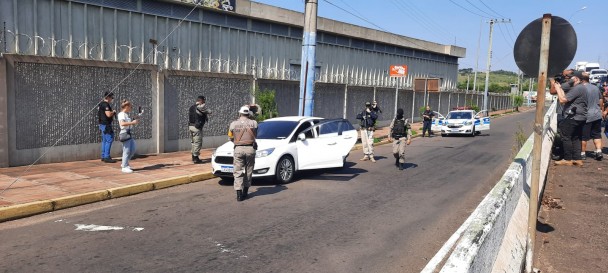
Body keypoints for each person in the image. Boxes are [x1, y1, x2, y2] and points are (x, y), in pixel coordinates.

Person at [553, 70, 588, 166]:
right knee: (576, 138)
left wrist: (557, 87)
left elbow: (562, 100)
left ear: (576, 79)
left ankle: (567, 159)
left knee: (566, 137)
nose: (569, 80)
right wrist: (559, 88)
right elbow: (565, 97)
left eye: (571, 78)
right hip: (580, 117)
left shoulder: (577, 88)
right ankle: (577, 159)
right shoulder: (581, 88)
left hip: (573, 116)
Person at [228, 106, 258, 202]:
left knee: (237, 171)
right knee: (249, 170)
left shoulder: (233, 124)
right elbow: (255, 134)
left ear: (240, 113)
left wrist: (237, 142)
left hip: (238, 149)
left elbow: (230, 137)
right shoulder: (254, 123)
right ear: (248, 114)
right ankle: (245, 192)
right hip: (250, 149)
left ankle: (239, 195)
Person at [581, 72, 604, 161]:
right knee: (597, 135)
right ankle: (598, 151)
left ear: (581, 79)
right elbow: (601, 99)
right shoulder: (595, 88)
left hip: (586, 116)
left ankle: (582, 154)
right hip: (597, 114)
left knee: (583, 136)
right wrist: (600, 109)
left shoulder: (581, 89)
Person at [188, 96, 212, 164]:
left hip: (190, 126)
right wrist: (204, 106)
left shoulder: (192, 107)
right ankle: (196, 158)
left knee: (193, 142)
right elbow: (210, 111)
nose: (205, 102)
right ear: (201, 101)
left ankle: (193, 156)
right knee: (198, 143)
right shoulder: (201, 107)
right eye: (204, 101)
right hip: (196, 127)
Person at [117, 100, 139, 173]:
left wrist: (133, 121)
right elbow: (122, 123)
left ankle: (125, 163)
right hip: (124, 133)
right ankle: (124, 166)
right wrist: (132, 122)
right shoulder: (121, 114)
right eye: (130, 107)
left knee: (132, 149)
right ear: (126, 106)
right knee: (126, 150)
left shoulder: (126, 114)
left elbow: (128, 123)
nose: (131, 108)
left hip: (128, 133)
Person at [98, 91, 117, 163]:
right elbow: (108, 114)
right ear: (108, 97)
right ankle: (107, 157)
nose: (112, 99)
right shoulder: (106, 105)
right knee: (109, 139)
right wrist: (114, 112)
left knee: (105, 141)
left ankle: (103, 156)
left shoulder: (101, 104)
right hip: (106, 125)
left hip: (102, 124)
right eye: (111, 97)